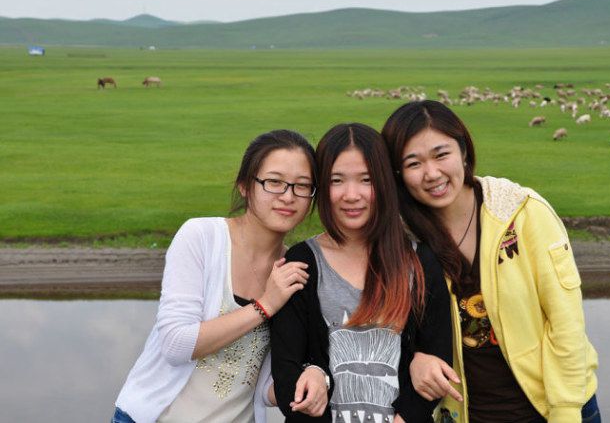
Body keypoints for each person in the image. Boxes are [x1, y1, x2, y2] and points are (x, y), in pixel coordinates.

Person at [381, 101, 600, 423]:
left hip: (552, 410)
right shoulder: (403, 241)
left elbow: (565, 321)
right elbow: (388, 329)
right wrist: (415, 358)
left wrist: (565, 411)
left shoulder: (522, 212)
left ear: (464, 151)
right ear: (398, 174)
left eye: (441, 155)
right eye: (414, 163)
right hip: (465, 415)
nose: (432, 173)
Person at [112, 130, 317, 423]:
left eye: (302, 186)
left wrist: (313, 378)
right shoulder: (202, 237)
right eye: (274, 182)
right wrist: (265, 306)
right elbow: (175, 344)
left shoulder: (293, 269)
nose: (288, 196)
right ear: (245, 186)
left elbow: (262, 387)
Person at [270, 123, 452, 422]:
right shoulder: (303, 262)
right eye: (337, 180)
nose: (351, 195)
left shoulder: (419, 262)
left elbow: (436, 359)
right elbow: (287, 372)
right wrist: (314, 371)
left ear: (384, 183)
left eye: (366, 180)